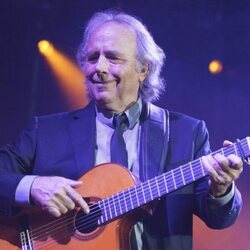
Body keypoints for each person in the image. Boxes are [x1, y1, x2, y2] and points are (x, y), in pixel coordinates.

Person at [0, 10, 243, 250]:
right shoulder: (47, 132)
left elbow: (219, 218)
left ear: (143, 69)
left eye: (113, 58)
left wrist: (220, 190)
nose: (100, 67)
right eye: (93, 57)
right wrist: (32, 187)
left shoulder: (186, 133)